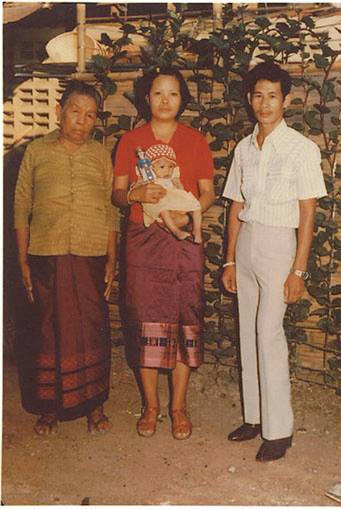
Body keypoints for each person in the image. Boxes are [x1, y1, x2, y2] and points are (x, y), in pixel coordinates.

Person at [222, 62, 327, 462]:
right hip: (247, 242)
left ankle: (279, 430)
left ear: (286, 100)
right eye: (257, 95)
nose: (264, 103)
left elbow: (307, 212)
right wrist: (229, 261)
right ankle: (254, 416)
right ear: (250, 100)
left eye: (272, 95)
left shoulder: (302, 148)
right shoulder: (244, 148)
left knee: (268, 333)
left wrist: (298, 270)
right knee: (248, 330)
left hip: (280, 244)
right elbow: (236, 204)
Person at [112, 67, 215, 440]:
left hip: (185, 240)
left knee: (184, 314)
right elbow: (117, 193)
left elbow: (208, 192)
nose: (166, 100)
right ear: (146, 98)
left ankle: (178, 406)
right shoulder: (130, 141)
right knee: (145, 317)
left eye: (173, 93)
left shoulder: (195, 141)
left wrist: (186, 213)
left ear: (182, 99)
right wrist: (137, 196)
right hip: (143, 241)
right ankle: (151, 406)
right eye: (158, 93)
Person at [14, 80, 119, 435]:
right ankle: (49, 409)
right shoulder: (36, 153)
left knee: (91, 330)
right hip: (46, 254)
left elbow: (109, 209)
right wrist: (23, 261)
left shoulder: (100, 155)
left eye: (91, 116)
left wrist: (111, 259)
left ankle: (94, 407)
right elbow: (20, 208)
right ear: (60, 113)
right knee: (48, 329)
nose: (82, 121)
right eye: (75, 112)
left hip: (89, 255)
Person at [137, 143, 202, 243]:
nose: (167, 170)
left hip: (173, 198)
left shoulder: (173, 178)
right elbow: (140, 189)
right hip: (159, 201)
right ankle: (176, 231)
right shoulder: (149, 179)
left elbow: (181, 192)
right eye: (162, 167)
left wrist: (179, 185)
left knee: (196, 206)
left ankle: (197, 230)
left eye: (170, 167)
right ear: (152, 168)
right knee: (163, 209)